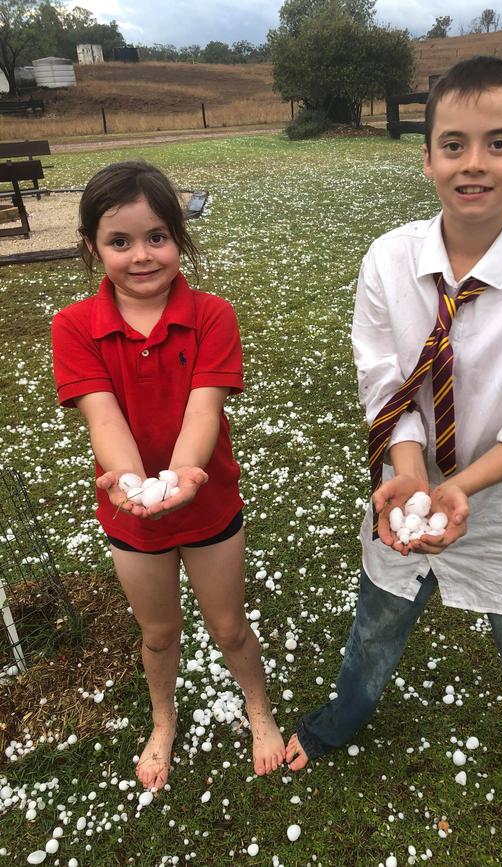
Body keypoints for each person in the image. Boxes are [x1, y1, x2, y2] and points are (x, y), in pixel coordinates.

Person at [286, 57, 502, 867]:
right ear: (425, 155)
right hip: (407, 495)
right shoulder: (388, 261)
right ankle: (337, 720)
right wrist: (411, 478)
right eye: (454, 144)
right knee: (376, 624)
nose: (474, 163)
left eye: (497, 143)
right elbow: (384, 382)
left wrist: (455, 488)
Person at [51, 160, 285, 789]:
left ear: (180, 237)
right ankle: (163, 719)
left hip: (209, 506)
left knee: (230, 626)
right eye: (119, 241)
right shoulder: (74, 328)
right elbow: (103, 421)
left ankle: (259, 710)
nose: (141, 255)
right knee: (158, 633)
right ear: (92, 247)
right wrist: (133, 487)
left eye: (157, 236)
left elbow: (203, 408)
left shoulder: (212, 315)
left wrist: (182, 476)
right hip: (131, 519)